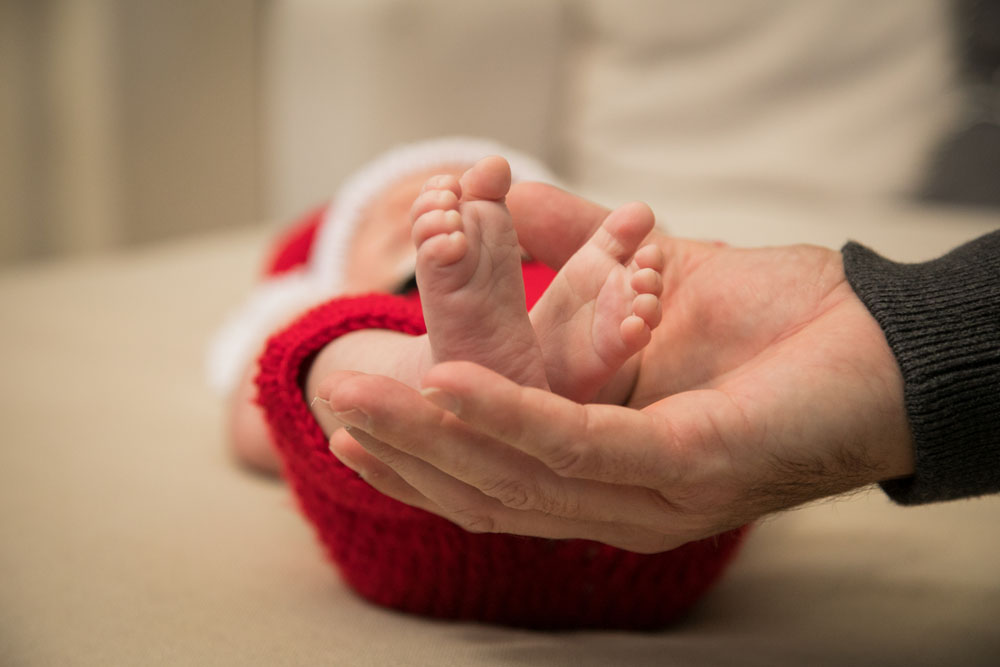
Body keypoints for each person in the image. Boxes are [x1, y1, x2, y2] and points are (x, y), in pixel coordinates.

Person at [212, 138, 750, 629]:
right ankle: (441, 375)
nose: (453, 211)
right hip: (429, 508)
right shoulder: (335, 303)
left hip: (631, 517)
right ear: (335, 267)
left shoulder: (596, 289)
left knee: (654, 342)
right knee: (317, 353)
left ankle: (546, 380)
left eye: (492, 215)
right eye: (402, 216)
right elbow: (260, 427)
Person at [312, 182, 1000, 555]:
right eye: (390, 218)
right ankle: (461, 365)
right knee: (318, 345)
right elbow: (249, 416)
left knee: (319, 360)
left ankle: (503, 371)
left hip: (658, 483)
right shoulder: (327, 288)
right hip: (652, 536)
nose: (438, 196)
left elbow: (260, 427)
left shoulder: (568, 276)